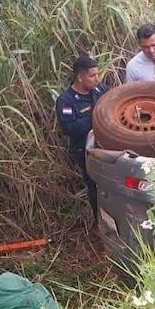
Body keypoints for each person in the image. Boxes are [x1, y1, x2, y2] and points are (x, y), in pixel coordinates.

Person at [55, 54, 108, 219]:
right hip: (85, 150)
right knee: (95, 186)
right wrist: (95, 118)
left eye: (97, 74)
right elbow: (68, 128)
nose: (96, 79)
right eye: (92, 76)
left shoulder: (101, 90)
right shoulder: (66, 101)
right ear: (80, 77)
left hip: (108, 146)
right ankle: (99, 221)